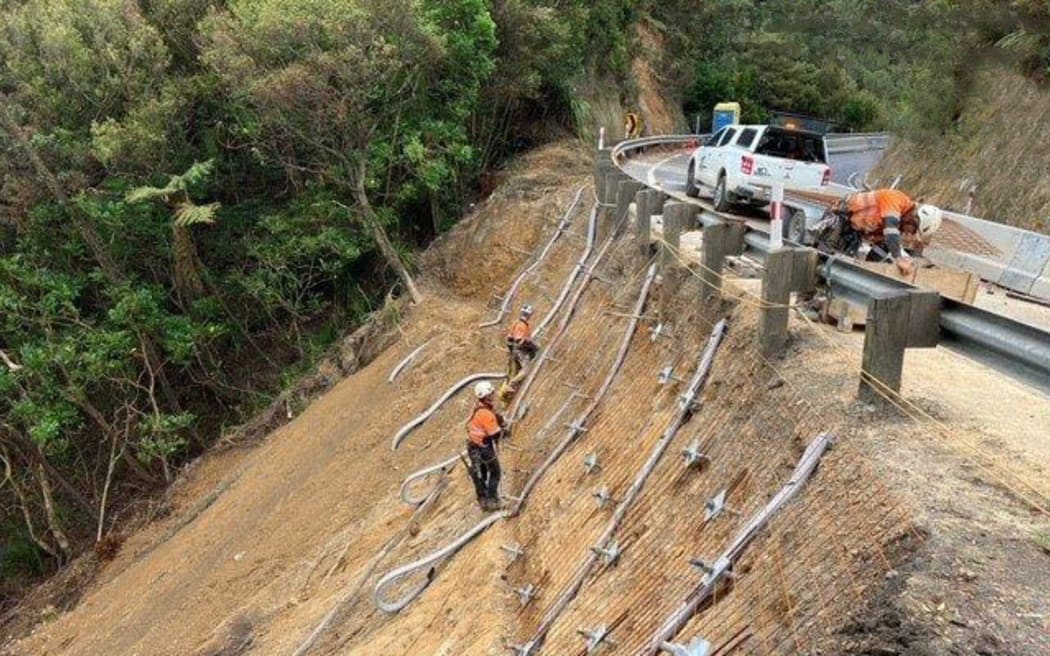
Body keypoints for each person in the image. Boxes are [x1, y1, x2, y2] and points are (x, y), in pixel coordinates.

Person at [838, 189, 943, 276]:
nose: (909, 233)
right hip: (841, 219)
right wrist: (899, 259)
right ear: (914, 218)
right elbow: (890, 231)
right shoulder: (895, 199)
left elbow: (889, 242)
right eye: (913, 230)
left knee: (884, 246)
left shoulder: (900, 223)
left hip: (853, 233)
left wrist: (870, 269)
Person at [466, 381, 505, 511]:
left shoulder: (478, 407)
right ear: (487, 396)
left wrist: (499, 420)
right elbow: (495, 434)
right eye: (491, 393)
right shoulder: (486, 414)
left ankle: (482, 500)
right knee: (495, 472)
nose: (493, 395)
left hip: (473, 446)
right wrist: (504, 432)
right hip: (483, 447)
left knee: (480, 474)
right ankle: (492, 500)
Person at [501, 304, 538, 402]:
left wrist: (510, 351)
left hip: (513, 352)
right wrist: (532, 345)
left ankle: (505, 398)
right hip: (519, 351)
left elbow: (509, 339)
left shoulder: (516, 323)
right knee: (525, 371)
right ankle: (510, 386)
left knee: (514, 372)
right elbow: (519, 340)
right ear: (529, 315)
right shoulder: (522, 325)